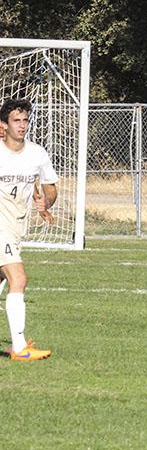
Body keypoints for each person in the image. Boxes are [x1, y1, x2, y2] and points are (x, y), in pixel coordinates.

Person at [1, 99, 57, 360]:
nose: (22, 125)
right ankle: (20, 348)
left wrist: (46, 203)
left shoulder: (37, 154)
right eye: (16, 120)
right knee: (19, 279)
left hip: (16, 226)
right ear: (4, 125)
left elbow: (50, 188)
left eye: (25, 120)